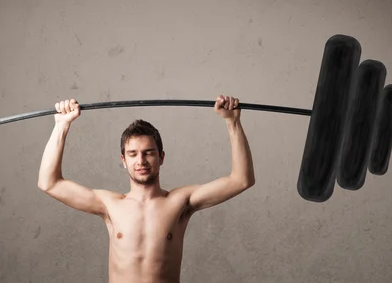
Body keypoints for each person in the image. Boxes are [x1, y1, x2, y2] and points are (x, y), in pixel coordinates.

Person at [37, 95, 255, 283]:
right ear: (123, 160)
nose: (140, 160)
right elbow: (49, 183)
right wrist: (61, 125)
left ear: (161, 157)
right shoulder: (109, 204)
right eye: (133, 154)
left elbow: (241, 179)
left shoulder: (180, 202)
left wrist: (232, 123)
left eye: (148, 152)